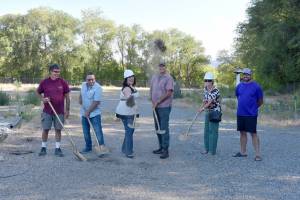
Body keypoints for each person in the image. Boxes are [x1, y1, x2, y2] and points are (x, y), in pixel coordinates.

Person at [36, 64, 70, 157]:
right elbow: (37, 92)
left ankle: (57, 148)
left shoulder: (63, 82)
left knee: (58, 130)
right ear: (50, 71)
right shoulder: (45, 82)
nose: (57, 73)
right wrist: (43, 99)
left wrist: (67, 110)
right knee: (45, 129)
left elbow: (67, 97)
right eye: (55, 71)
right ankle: (43, 148)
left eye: (58, 71)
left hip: (59, 111)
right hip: (47, 111)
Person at [233, 68, 263, 161]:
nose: (246, 76)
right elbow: (238, 97)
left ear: (251, 75)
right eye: (244, 74)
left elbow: (260, 101)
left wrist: (253, 108)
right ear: (243, 75)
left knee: (253, 133)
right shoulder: (239, 86)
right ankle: (243, 152)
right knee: (242, 133)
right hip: (241, 113)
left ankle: (257, 154)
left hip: (251, 114)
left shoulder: (256, 87)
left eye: (248, 74)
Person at [79, 72, 108, 154]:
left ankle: (101, 148)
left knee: (98, 131)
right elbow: (81, 93)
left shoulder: (98, 88)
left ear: (95, 79)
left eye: (93, 79)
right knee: (86, 132)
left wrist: (88, 111)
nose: (91, 81)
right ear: (86, 80)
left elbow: (96, 102)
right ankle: (88, 147)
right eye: (89, 80)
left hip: (94, 114)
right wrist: (80, 99)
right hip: (84, 113)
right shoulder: (83, 85)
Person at [150, 60, 174, 159]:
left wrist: (158, 101)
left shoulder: (168, 78)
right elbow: (151, 89)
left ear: (165, 67)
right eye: (160, 66)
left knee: (163, 128)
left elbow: (169, 92)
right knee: (158, 127)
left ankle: (165, 150)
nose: (161, 68)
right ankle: (160, 147)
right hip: (155, 106)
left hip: (164, 107)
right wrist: (152, 100)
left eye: (163, 66)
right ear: (158, 67)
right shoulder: (154, 77)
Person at [115, 69, 139, 158]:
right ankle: (128, 151)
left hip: (129, 111)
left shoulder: (131, 87)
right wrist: (135, 107)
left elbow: (134, 95)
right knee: (129, 131)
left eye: (132, 77)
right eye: (129, 78)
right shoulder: (127, 88)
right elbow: (129, 98)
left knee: (129, 131)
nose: (131, 79)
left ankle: (124, 148)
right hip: (126, 112)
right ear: (126, 79)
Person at [198, 72, 221, 155]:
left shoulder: (216, 90)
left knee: (213, 131)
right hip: (207, 112)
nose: (207, 82)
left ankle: (212, 150)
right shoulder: (205, 89)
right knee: (206, 130)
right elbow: (204, 100)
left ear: (212, 81)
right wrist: (201, 107)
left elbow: (210, 101)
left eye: (209, 80)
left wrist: (203, 108)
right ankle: (206, 149)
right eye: (205, 80)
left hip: (215, 112)